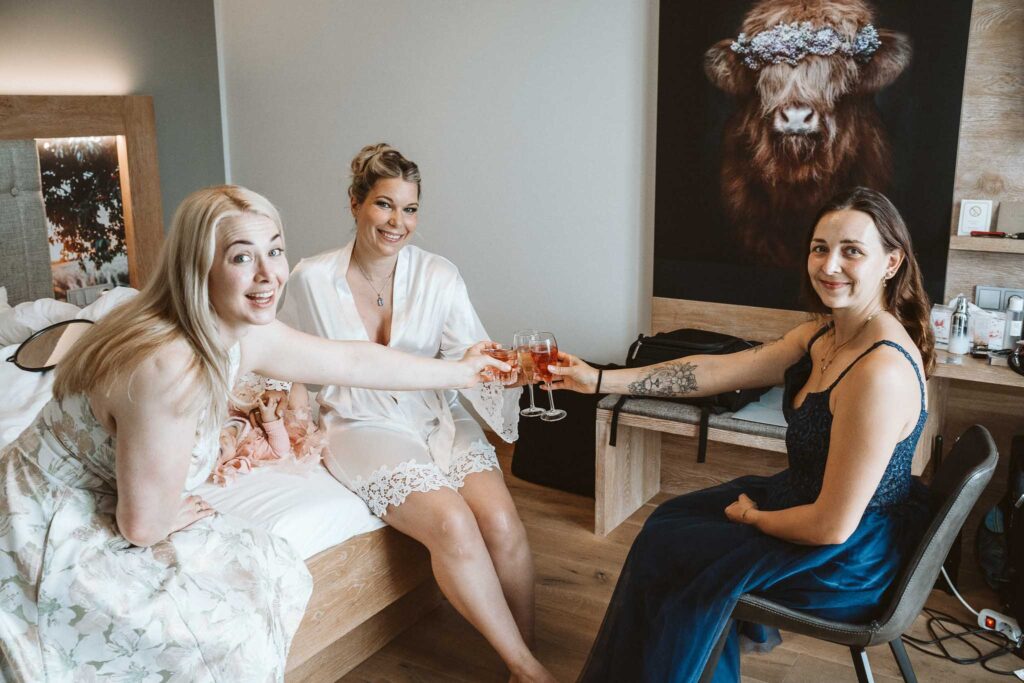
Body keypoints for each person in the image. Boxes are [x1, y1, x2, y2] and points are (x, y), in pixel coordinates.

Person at [0, 185, 507, 682]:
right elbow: (140, 526)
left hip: (113, 495)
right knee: (217, 620)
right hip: (46, 518)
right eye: (243, 257)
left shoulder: (242, 332)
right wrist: (163, 516)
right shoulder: (169, 366)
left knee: (264, 570)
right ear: (198, 266)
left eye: (276, 251)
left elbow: (355, 358)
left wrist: (463, 372)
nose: (270, 275)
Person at [550, 187, 934, 682]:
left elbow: (831, 527)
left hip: (848, 556)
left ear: (891, 262)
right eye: (820, 247)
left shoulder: (879, 371)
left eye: (851, 251)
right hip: (813, 506)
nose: (829, 265)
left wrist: (753, 517)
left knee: (677, 556)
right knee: (669, 521)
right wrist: (598, 379)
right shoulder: (825, 333)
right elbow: (717, 371)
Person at [280, 143, 554, 682]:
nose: (397, 222)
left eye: (409, 209)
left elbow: (473, 353)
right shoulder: (311, 278)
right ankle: (525, 670)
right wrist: (292, 391)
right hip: (361, 421)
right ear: (356, 202)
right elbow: (281, 346)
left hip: (436, 414)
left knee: (500, 520)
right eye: (384, 205)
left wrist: (515, 368)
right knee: (452, 520)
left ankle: (527, 650)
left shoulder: (439, 276)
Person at [212, 374, 326, 486]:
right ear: (224, 465)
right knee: (297, 390)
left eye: (211, 440)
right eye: (220, 451)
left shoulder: (218, 423)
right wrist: (270, 420)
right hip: (281, 427)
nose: (223, 442)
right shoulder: (249, 449)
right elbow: (280, 451)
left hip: (255, 409)